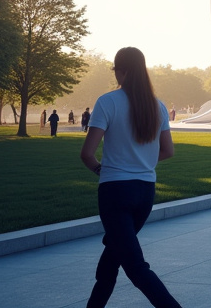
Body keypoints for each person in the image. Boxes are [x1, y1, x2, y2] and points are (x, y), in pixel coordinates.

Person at [79, 46, 183, 308]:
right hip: (145, 192)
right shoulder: (157, 106)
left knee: (136, 267)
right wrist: (143, 162)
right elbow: (168, 151)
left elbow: (87, 154)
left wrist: (102, 170)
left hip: (115, 191)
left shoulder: (107, 102)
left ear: (121, 71)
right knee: (111, 259)